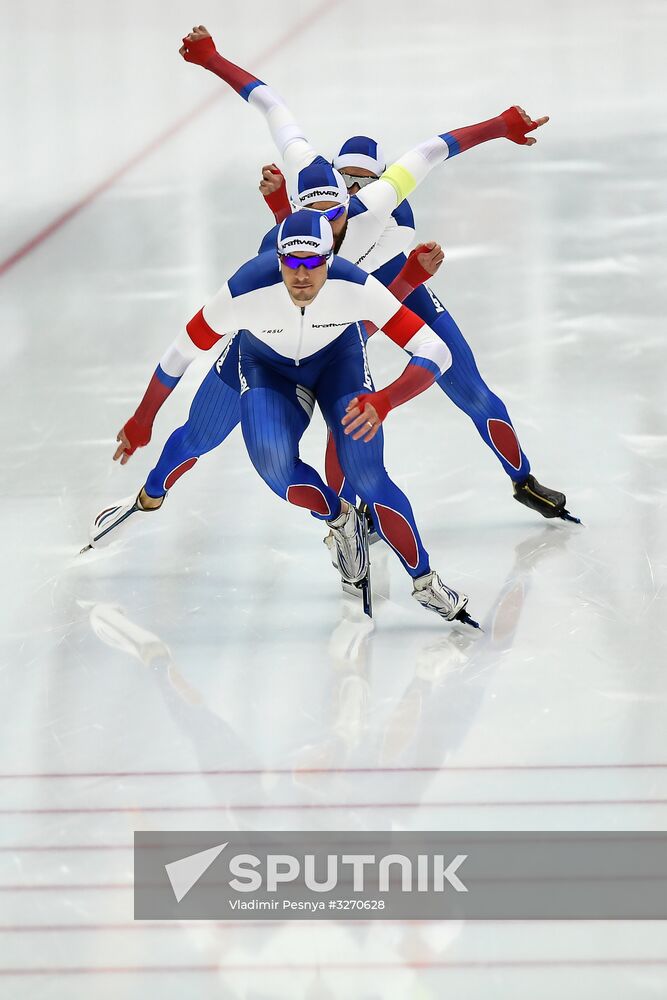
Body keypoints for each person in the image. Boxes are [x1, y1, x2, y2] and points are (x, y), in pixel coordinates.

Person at [97, 208, 480, 626]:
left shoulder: (355, 285)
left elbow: (434, 350)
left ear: (330, 259)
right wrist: (143, 418)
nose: (301, 275)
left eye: (313, 263)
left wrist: (386, 400)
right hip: (266, 366)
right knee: (256, 454)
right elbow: (179, 354)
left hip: (339, 363)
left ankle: (425, 582)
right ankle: (339, 519)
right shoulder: (245, 290)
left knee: (368, 474)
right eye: (291, 263)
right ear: (278, 260)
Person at [260, 142, 580, 522]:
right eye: (346, 180)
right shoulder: (318, 215)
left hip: (404, 291)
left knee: (474, 393)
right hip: (359, 306)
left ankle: (523, 480)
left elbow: (384, 304)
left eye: (366, 181)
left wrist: (411, 278)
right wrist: (279, 204)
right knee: (344, 415)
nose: (356, 190)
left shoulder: (394, 216)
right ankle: (350, 517)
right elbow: (291, 250)